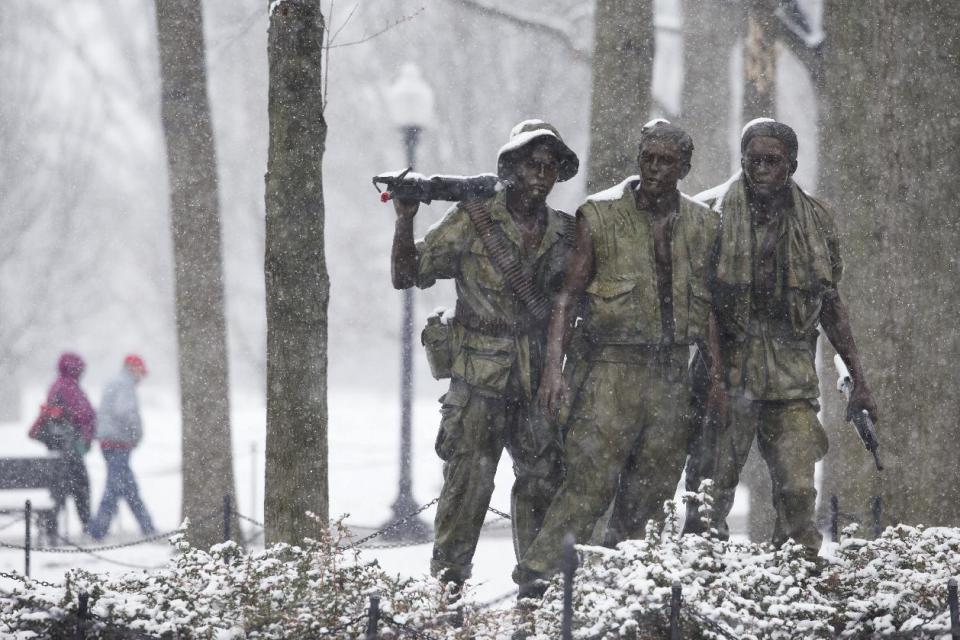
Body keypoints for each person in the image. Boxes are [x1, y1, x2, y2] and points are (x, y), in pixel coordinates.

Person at [514, 121, 720, 594]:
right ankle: (536, 582)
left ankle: (621, 589)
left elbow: (708, 307)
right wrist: (553, 371)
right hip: (610, 368)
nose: (653, 168)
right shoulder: (600, 215)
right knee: (587, 484)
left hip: (670, 371)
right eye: (647, 157)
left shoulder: (705, 224)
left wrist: (717, 378)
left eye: (665, 160)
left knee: (653, 490)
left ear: (684, 167)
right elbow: (567, 297)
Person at [390, 119, 579, 595]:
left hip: (536, 376)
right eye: (532, 164)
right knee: (467, 485)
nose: (541, 175)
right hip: (478, 376)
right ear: (510, 168)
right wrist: (405, 218)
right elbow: (407, 273)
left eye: (550, 167)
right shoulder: (473, 220)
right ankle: (448, 590)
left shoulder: (565, 232)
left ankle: (537, 590)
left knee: (541, 480)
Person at [683, 118, 879, 556]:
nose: (761, 169)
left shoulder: (817, 219)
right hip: (728, 366)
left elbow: (830, 301)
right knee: (708, 490)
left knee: (796, 488)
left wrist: (860, 381)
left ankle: (797, 586)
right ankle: (693, 592)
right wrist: (714, 377)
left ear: (791, 164)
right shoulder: (708, 212)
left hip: (791, 370)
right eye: (753, 160)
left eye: (772, 161)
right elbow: (702, 306)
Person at [87, 355, 155, 540]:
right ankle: (97, 531)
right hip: (118, 443)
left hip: (110, 441)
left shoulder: (115, 382)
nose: (142, 376)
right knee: (115, 487)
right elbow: (126, 412)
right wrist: (136, 434)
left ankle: (147, 526)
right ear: (133, 368)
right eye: (141, 371)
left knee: (127, 486)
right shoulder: (125, 384)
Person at [45, 352, 96, 530]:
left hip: (56, 449)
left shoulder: (57, 386)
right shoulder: (69, 387)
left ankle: (51, 526)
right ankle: (86, 524)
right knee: (80, 487)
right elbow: (83, 414)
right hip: (69, 448)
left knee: (59, 488)